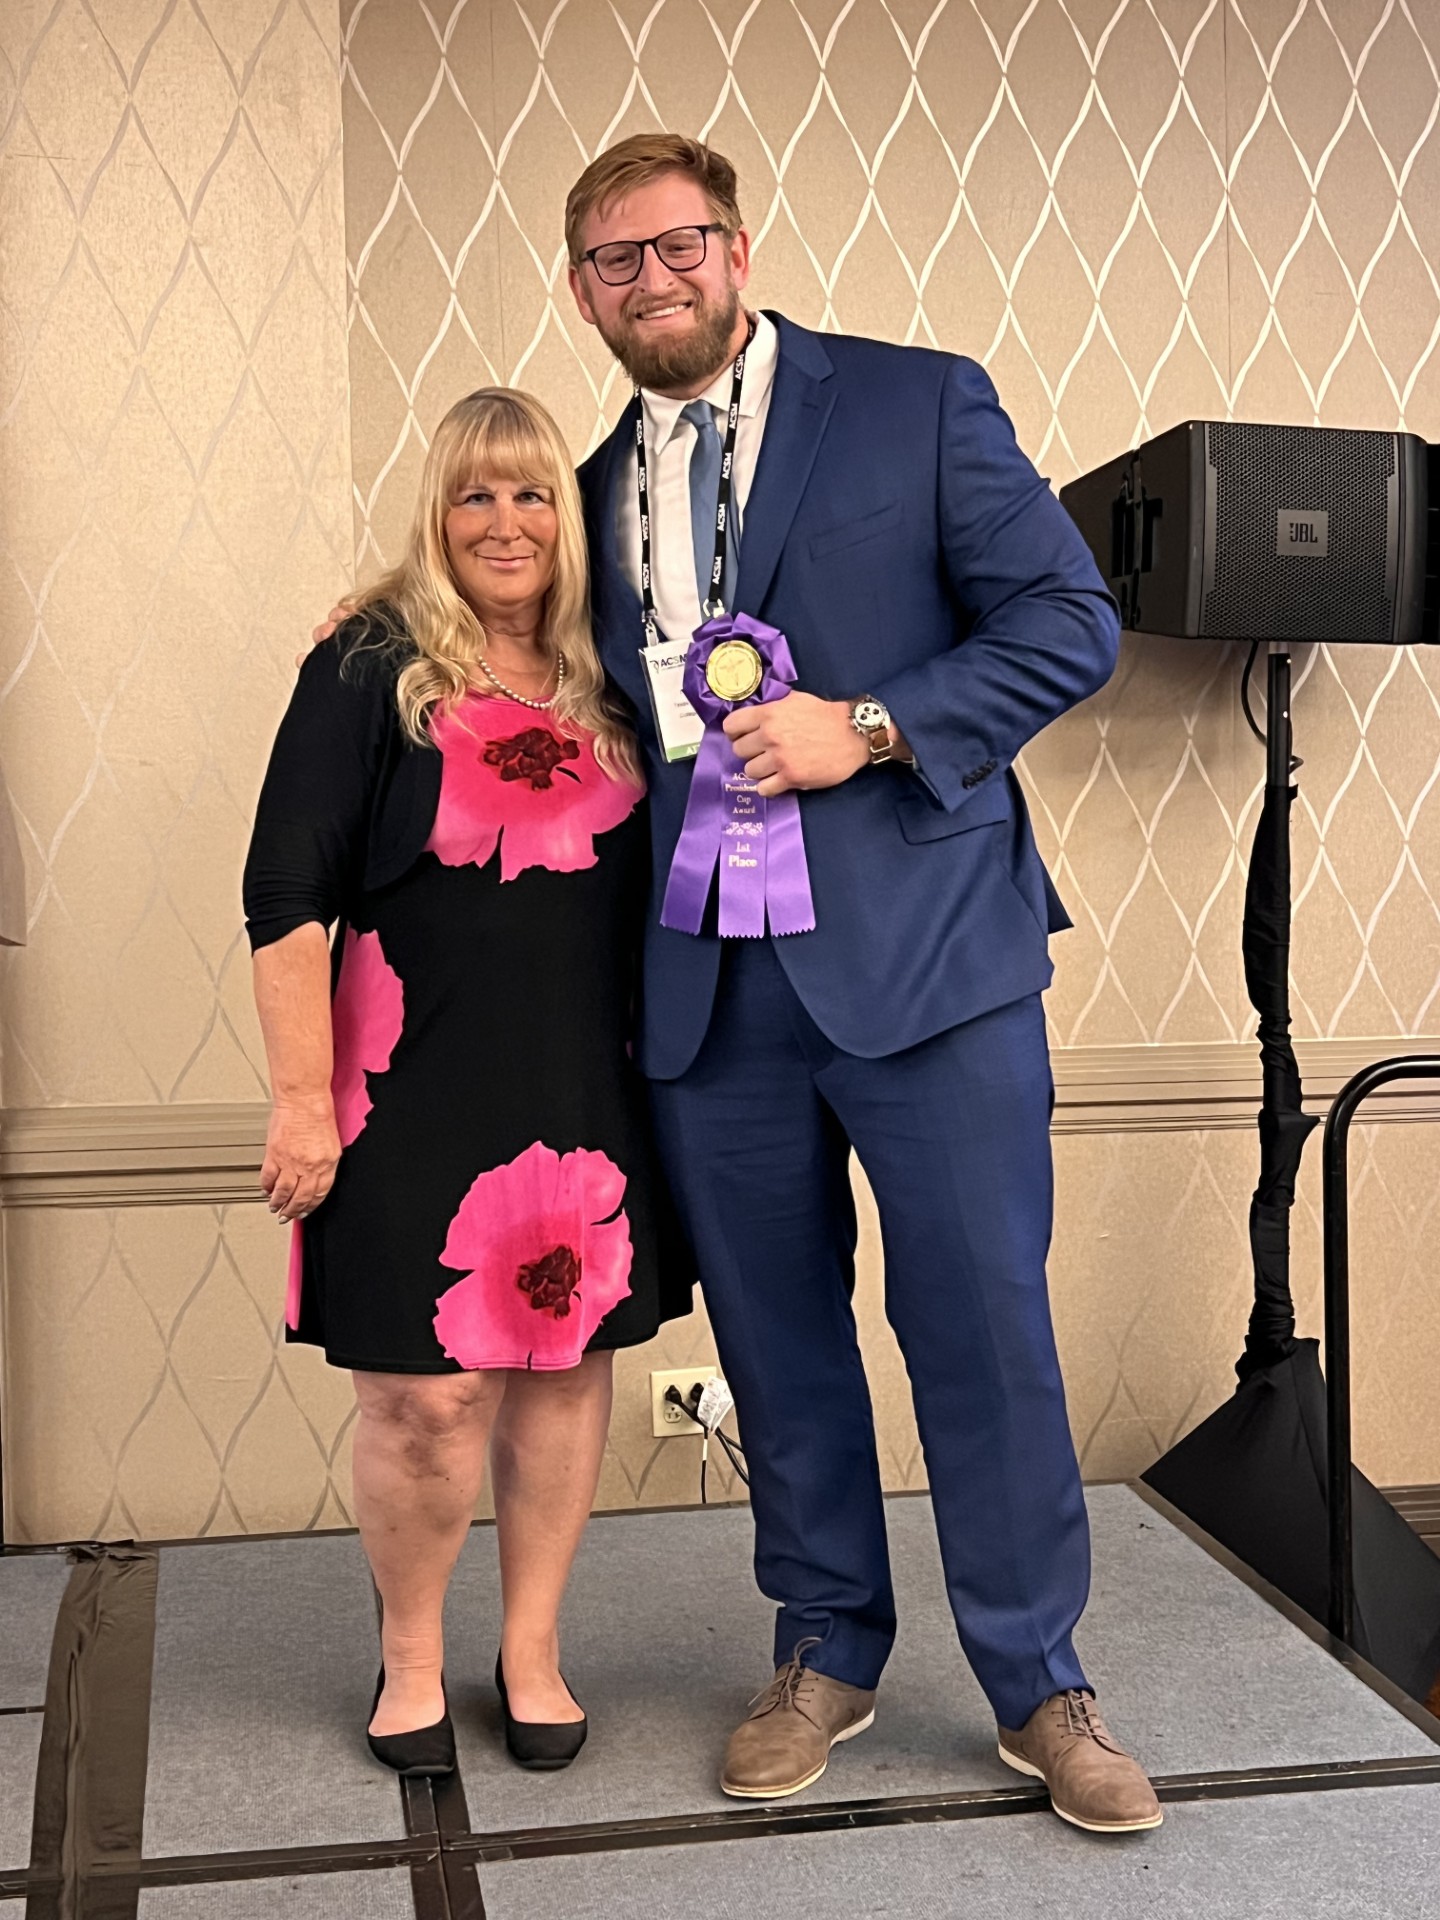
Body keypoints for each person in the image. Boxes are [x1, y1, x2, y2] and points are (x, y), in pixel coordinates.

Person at [561, 133, 1161, 1834]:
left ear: (737, 253)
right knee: (777, 1338)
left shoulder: (917, 403)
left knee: (979, 1327)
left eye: (676, 246)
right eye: (613, 262)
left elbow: (1066, 620)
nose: (650, 281)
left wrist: (875, 728)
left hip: (935, 967)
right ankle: (824, 1642)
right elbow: (542, 668)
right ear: (583, 291)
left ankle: (1041, 1681)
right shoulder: (596, 477)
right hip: (707, 993)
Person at [244, 387, 692, 1780]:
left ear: (575, 516)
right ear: (437, 520)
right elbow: (284, 889)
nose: (505, 522)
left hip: (583, 1086)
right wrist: (302, 1099)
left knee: (561, 1377)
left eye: (533, 493)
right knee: (423, 1401)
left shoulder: (625, 671)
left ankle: (535, 1651)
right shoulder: (370, 665)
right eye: (473, 496)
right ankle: (417, 1655)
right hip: (399, 1087)